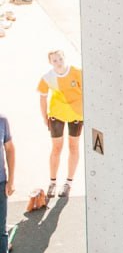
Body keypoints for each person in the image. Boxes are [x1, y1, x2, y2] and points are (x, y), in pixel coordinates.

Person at [37, 51, 84, 198]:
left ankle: (68, 183)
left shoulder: (77, 72)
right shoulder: (47, 78)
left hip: (76, 114)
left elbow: (88, 91)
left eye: (60, 58)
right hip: (57, 114)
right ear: (50, 62)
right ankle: (52, 182)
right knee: (56, 148)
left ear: (65, 58)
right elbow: (43, 99)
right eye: (55, 60)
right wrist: (45, 116)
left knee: (73, 146)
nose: (58, 62)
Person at [0, 112, 15, 253]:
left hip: (0, 183)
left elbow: (10, 149)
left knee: (1, 230)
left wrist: (11, 180)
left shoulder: (2, 120)